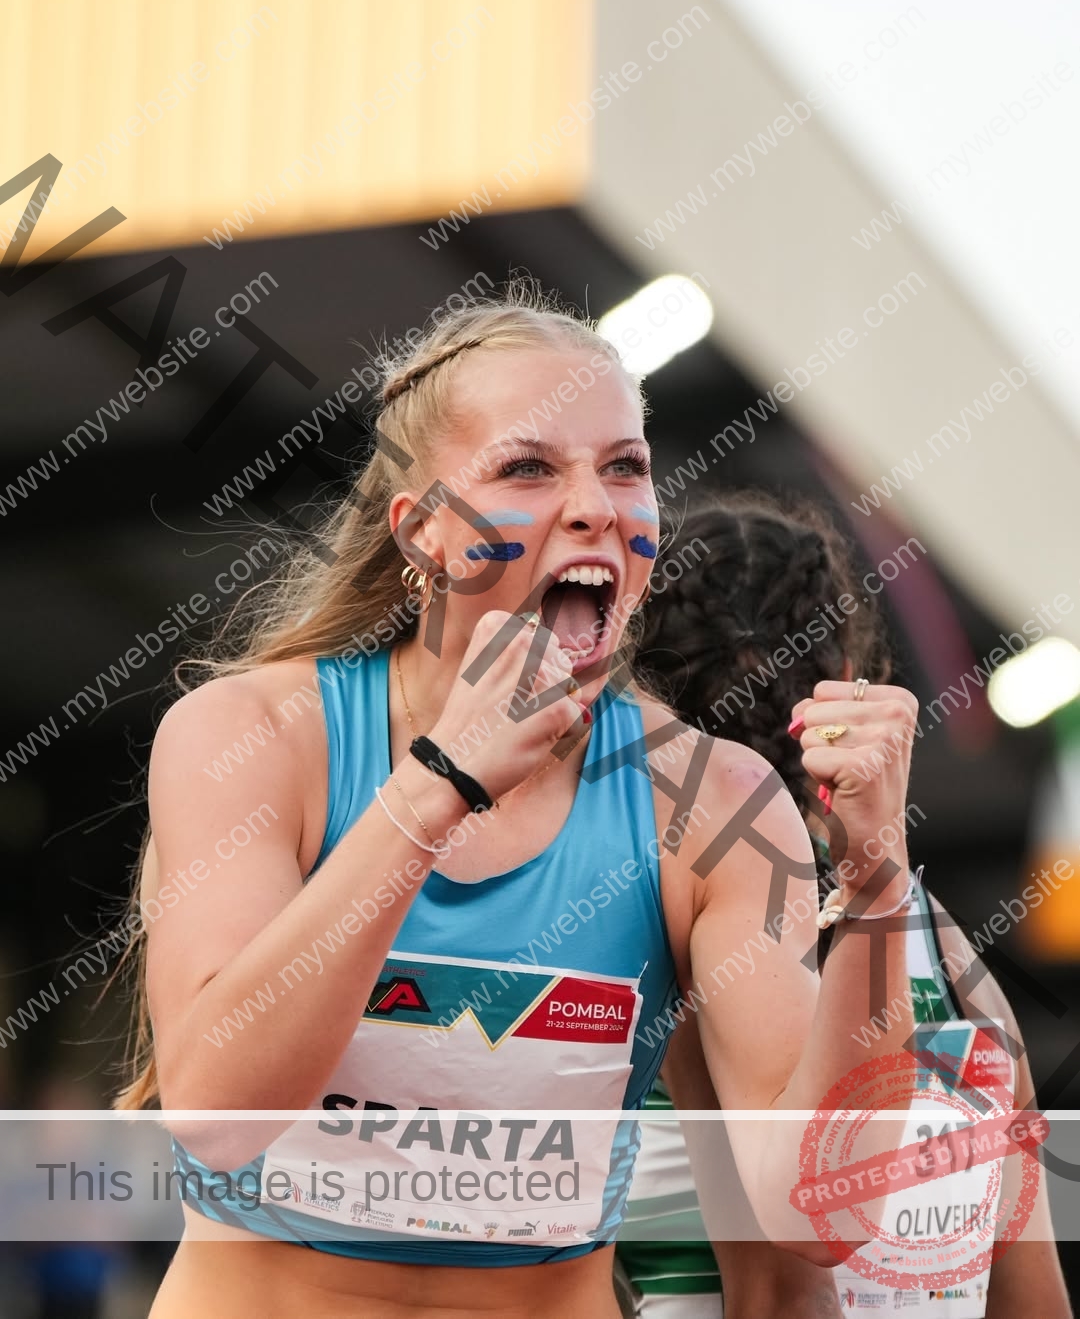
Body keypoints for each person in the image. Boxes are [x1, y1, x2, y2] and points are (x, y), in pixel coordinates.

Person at [115, 285, 924, 1319]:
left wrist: (875, 881)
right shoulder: (254, 734)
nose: (595, 506)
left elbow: (818, 1217)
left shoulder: (711, 800)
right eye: (528, 467)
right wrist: (436, 786)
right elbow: (218, 1112)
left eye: (624, 467)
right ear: (422, 534)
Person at [625, 490, 1070, 1319]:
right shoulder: (945, 951)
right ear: (840, 678)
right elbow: (1035, 1301)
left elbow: (787, 1291)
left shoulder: (653, 940)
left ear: (640, 694)